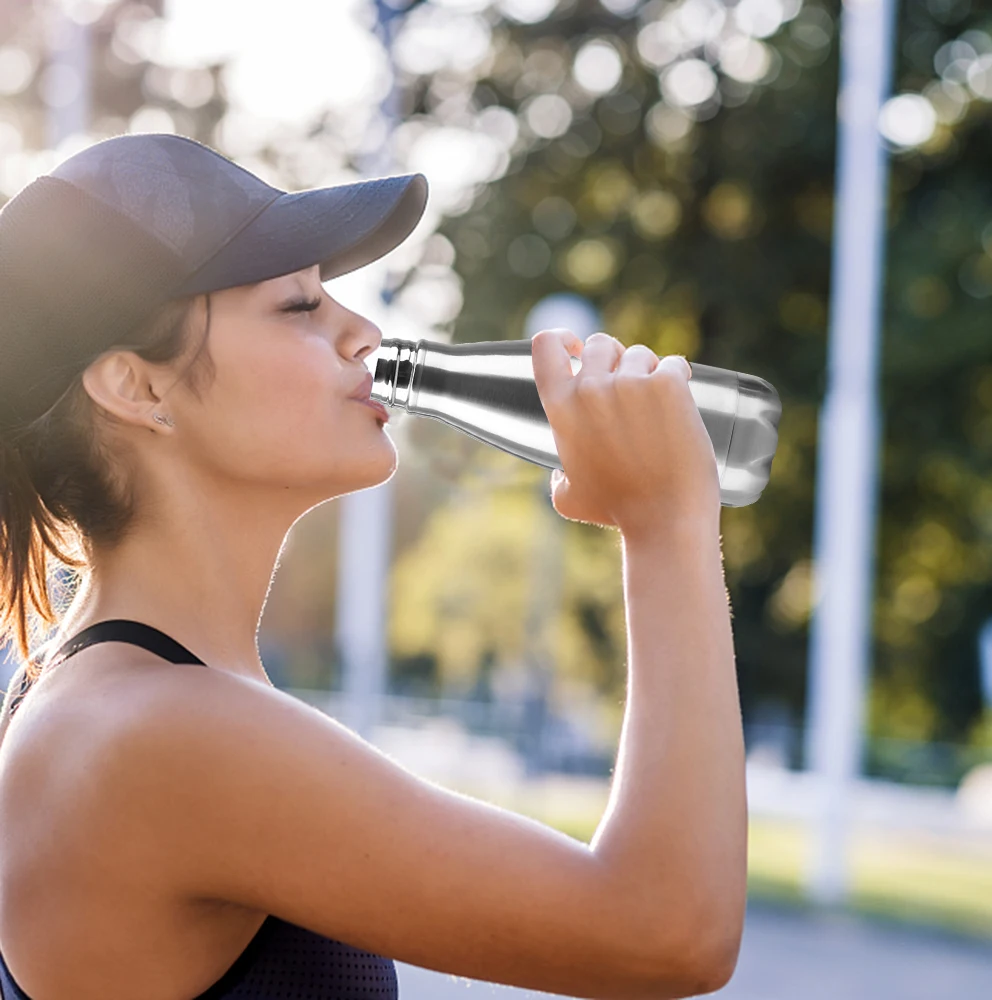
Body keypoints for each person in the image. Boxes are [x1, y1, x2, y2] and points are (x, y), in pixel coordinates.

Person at [0, 133, 746, 999]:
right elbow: (664, 932)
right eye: (298, 307)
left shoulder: (118, 696)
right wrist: (666, 527)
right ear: (138, 388)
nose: (364, 333)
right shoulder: (156, 731)